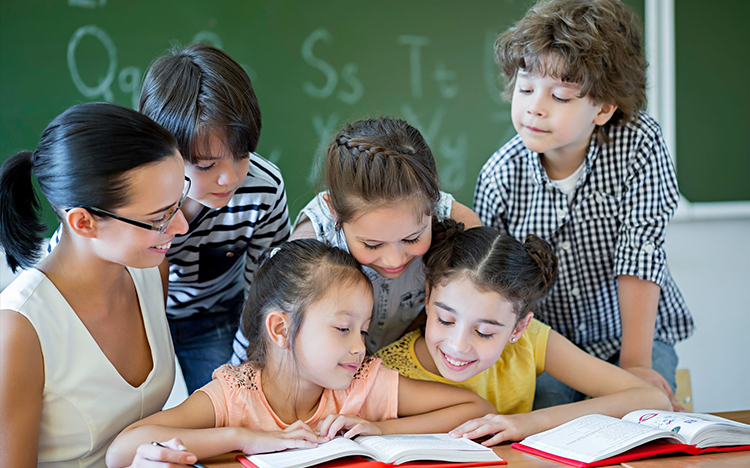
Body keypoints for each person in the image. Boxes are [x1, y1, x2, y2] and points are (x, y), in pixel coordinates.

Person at [473, 0, 693, 410]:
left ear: (605, 108)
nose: (535, 106)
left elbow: (640, 253)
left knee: (644, 414)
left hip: (631, 334)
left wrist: (636, 363)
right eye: (525, 88)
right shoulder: (500, 175)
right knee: (553, 424)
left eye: (559, 95)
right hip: (549, 347)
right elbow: (495, 284)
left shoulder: (639, 145)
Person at [105, 239, 495, 467]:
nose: (359, 347)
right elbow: (123, 450)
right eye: (343, 329)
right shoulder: (234, 394)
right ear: (280, 328)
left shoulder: (363, 383)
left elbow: (475, 409)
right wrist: (245, 437)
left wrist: (382, 429)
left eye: (362, 330)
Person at [47, 43, 292, 393]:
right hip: (130, 315)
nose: (230, 178)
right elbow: (70, 263)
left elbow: (264, 292)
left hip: (215, 316)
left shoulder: (263, 190)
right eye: (206, 165)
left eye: (242, 155)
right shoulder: (126, 196)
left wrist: (242, 374)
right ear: (163, 150)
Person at [0, 102, 190, 467]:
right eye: (159, 217)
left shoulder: (150, 270)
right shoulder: (19, 329)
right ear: (83, 222)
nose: (180, 226)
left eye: (177, 203)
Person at [377, 220, 671, 445]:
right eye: (445, 320)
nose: (458, 346)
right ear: (427, 298)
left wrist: (529, 422)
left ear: (519, 327)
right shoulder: (386, 370)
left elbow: (650, 398)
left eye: (484, 332)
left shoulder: (528, 341)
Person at [232, 117, 481, 363]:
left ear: (433, 199)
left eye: (412, 238)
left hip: (422, 358)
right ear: (334, 212)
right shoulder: (311, 244)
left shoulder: (461, 226)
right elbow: (261, 341)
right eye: (372, 244)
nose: (394, 259)